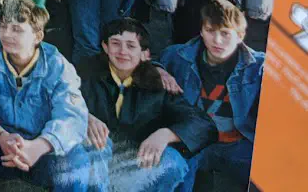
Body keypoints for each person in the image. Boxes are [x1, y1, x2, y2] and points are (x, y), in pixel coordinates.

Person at [0, 0, 90, 192]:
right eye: (4, 26)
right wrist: (0, 136)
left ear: (37, 36)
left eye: (17, 29)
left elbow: (73, 116)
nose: (6, 35)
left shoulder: (58, 64)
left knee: (77, 157)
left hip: (39, 155)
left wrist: (38, 147)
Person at [78, 19, 217, 192]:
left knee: (173, 161)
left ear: (145, 54)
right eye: (115, 44)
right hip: (93, 158)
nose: (122, 52)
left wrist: (166, 134)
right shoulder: (84, 73)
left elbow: (204, 124)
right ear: (105, 47)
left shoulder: (158, 86)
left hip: (136, 161)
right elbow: (57, 101)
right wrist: (84, 116)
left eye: (131, 46)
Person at [160, 0, 263, 192]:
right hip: (193, 141)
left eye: (225, 33)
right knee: (170, 171)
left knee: (271, 173)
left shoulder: (258, 67)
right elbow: (146, 63)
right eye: (210, 31)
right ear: (201, 31)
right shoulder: (176, 56)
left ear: (240, 35)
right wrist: (158, 70)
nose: (217, 41)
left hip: (238, 145)